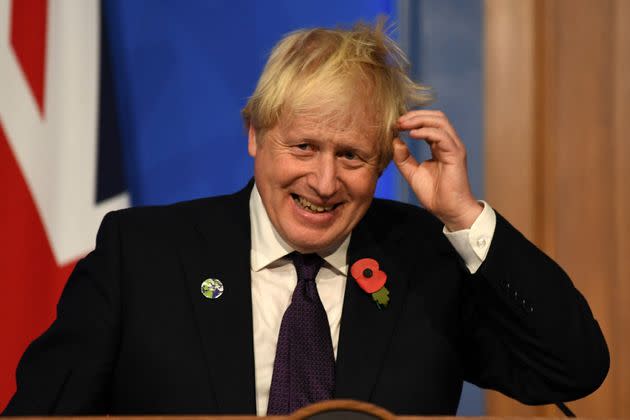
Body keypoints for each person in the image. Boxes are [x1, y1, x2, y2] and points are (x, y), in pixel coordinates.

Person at [3, 20, 608, 416]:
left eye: (351, 156)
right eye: (304, 148)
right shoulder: (144, 256)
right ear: (255, 135)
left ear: (384, 163)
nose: (323, 182)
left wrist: (465, 217)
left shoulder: (426, 262)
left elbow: (571, 367)